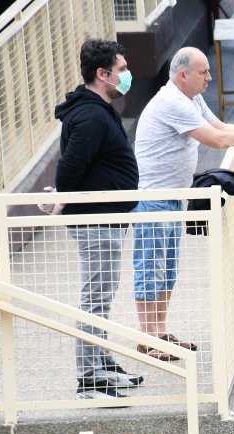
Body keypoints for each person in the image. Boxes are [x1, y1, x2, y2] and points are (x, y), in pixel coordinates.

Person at [132, 47, 234, 360]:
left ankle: (160, 333)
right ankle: (148, 339)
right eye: (204, 72)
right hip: (155, 200)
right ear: (183, 75)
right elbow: (216, 141)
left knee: (167, 270)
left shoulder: (190, 97)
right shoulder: (172, 102)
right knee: (150, 269)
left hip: (175, 198)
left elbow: (221, 127)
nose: (210, 77)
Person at [55, 39, 143, 400]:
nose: (126, 75)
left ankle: (102, 364)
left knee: (102, 298)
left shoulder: (99, 108)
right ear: (102, 74)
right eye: (121, 70)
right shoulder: (91, 115)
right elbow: (67, 175)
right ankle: (89, 376)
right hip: (96, 221)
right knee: (95, 299)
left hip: (105, 220)